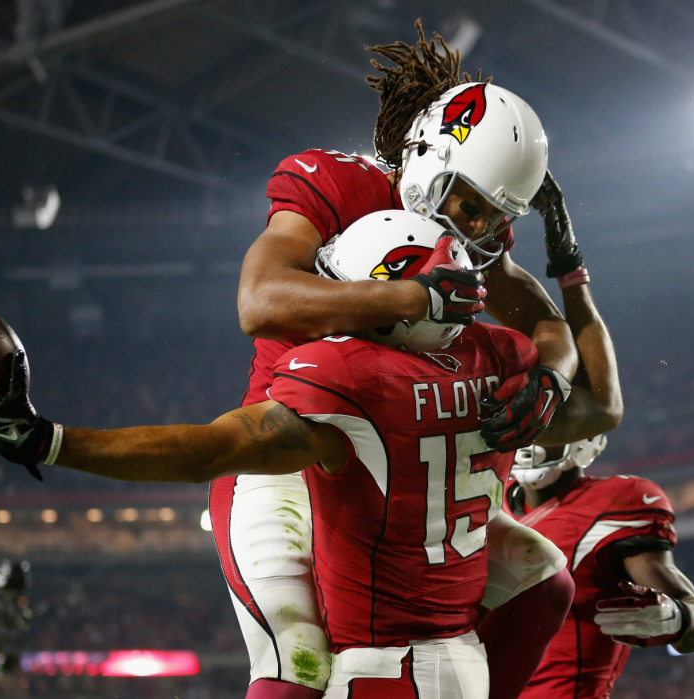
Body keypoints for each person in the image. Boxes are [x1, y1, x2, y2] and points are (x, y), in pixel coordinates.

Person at [0, 211, 579, 697]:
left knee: (290, 657)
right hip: (465, 665)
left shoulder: (350, 376)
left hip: (381, 672)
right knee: (545, 573)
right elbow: (565, 353)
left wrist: (50, 438)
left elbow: (208, 450)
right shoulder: (507, 359)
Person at [220, 24, 580, 699]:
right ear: (424, 158)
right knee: (297, 665)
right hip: (299, 457)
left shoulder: (471, 239)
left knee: (543, 583)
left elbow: (544, 322)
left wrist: (552, 375)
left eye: (489, 219)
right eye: (467, 203)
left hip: (400, 473)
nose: (471, 228)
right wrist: (408, 294)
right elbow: (259, 300)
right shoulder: (337, 183)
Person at [503, 175, 694, 699]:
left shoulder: (614, 503)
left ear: (582, 434)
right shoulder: (491, 497)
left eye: (550, 418)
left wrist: (679, 620)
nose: (535, 432)